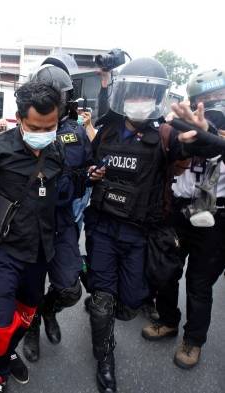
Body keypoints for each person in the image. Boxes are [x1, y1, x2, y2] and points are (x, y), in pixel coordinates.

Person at [84, 57, 221, 393]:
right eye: (134, 93)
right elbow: (90, 165)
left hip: (139, 232)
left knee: (132, 302)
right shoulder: (107, 131)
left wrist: (205, 132)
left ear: (157, 97)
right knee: (103, 300)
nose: (139, 100)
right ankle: (105, 359)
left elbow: (204, 146)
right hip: (102, 226)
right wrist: (93, 173)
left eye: (147, 94)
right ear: (123, 94)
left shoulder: (165, 134)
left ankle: (102, 284)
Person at [0, 81, 65, 393]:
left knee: (27, 316)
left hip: (40, 251)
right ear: (19, 118)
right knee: (1, 326)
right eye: (35, 126)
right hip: (5, 250)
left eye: (50, 126)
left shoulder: (58, 150)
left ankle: (11, 351)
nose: (43, 133)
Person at [141, 68, 225, 369]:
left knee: (199, 282)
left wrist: (214, 139)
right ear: (193, 102)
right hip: (178, 209)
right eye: (205, 100)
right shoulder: (179, 126)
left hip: (216, 215)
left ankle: (193, 340)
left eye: (219, 98)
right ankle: (167, 320)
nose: (213, 106)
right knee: (165, 270)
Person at [22, 65, 93, 361]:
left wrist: (93, 174)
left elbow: (89, 170)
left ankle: (49, 311)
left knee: (70, 290)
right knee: (30, 288)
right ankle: (33, 325)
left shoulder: (77, 133)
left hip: (63, 222)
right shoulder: (26, 130)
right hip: (32, 224)